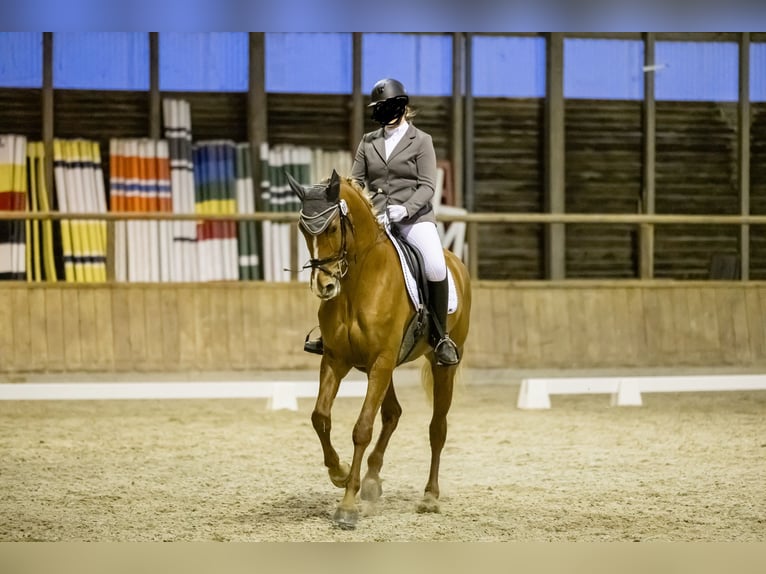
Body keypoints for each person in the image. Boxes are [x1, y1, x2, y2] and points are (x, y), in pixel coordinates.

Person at [304, 77, 459, 366]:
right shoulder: (368, 142)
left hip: (414, 219)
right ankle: (331, 334)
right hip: (377, 218)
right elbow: (355, 181)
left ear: (401, 107)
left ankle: (439, 337)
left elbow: (427, 186)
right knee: (341, 257)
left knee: (436, 265)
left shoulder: (422, 141)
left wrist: (406, 209)